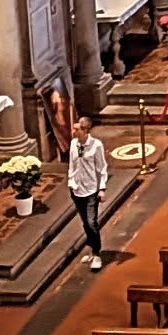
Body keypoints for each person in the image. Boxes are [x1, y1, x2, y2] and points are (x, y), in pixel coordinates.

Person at [68, 115, 108, 271]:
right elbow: (72, 165)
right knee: (85, 223)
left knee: (92, 222)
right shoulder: (73, 144)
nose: (73, 131)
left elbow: (102, 168)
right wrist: (71, 182)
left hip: (91, 190)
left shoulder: (96, 145)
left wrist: (102, 188)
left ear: (85, 130)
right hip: (76, 189)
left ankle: (97, 253)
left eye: (76, 129)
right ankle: (92, 249)